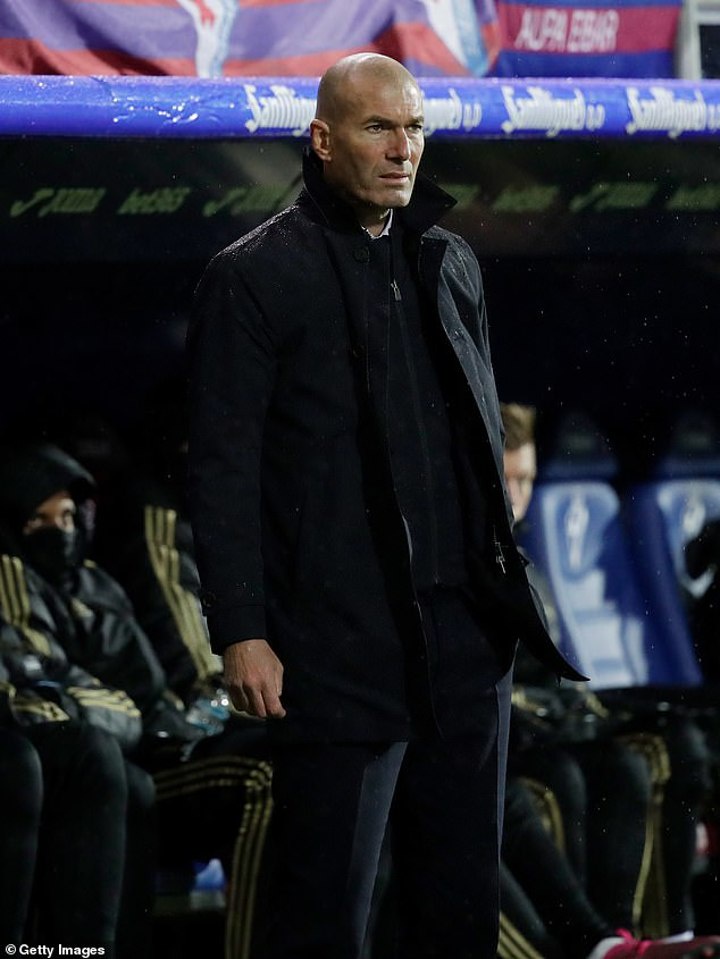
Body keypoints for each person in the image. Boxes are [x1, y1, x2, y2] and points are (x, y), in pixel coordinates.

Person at [186, 52, 584, 959]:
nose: (403, 148)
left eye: (414, 128)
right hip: (336, 648)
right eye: (378, 128)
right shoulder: (253, 276)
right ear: (323, 139)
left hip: (463, 646)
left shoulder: (450, 260)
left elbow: (480, 439)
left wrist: (501, 594)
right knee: (325, 916)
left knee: (459, 913)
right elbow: (222, 469)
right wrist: (242, 630)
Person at [500, 402, 717, 945]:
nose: (517, 496)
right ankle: (602, 944)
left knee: (667, 747)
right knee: (582, 774)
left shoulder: (525, 557)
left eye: (527, 479)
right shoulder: (469, 559)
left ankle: (645, 939)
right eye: (506, 479)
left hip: (551, 713)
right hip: (501, 736)